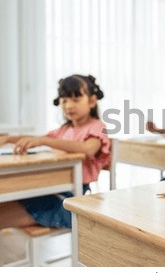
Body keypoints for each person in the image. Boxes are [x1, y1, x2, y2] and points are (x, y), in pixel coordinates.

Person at [0, 74, 111, 229]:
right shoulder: (64, 130)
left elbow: (89, 148)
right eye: (64, 100)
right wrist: (9, 138)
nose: (68, 105)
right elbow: (38, 139)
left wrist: (44, 141)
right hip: (50, 189)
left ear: (92, 101)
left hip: (70, 201)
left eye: (75, 99)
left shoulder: (97, 126)